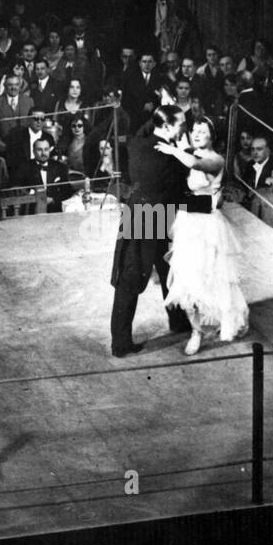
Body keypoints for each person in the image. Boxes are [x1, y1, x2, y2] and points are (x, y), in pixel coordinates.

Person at [155, 118, 250, 355]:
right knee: (186, 278)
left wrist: (173, 149)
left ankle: (223, 320)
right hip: (187, 222)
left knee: (213, 276)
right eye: (194, 130)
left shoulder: (215, 159)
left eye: (202, 131)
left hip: (208, 226)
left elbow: (196, 164)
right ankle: (196, 331)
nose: (197, 134)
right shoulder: (185, 153)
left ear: (212, 136)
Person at [109, 106, 196, 357]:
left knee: (165, 270)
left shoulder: (137, 143)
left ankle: (178, 321)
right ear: (167, 126)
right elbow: (182, 185)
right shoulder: (172, 158)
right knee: (133, 277)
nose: (184, 127)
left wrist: (164, 107)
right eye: (180, 123)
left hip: (139, 214)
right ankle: (121, 344)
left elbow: (150, 126)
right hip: (154, 219)